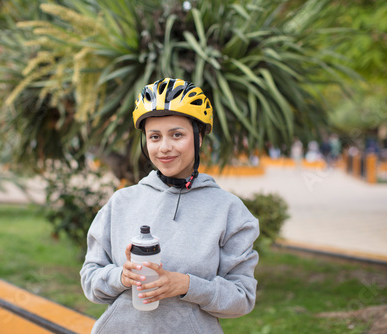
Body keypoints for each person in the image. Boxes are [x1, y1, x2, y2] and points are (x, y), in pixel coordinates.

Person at [80, 78, 260, 333]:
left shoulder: (229, 210)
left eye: (177, 135)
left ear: (198, 138)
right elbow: (90, 279)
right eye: (154, 137)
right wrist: (121, 277)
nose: (164, 147)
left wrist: (186, 285)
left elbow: (242, 298)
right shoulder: (121, 202)